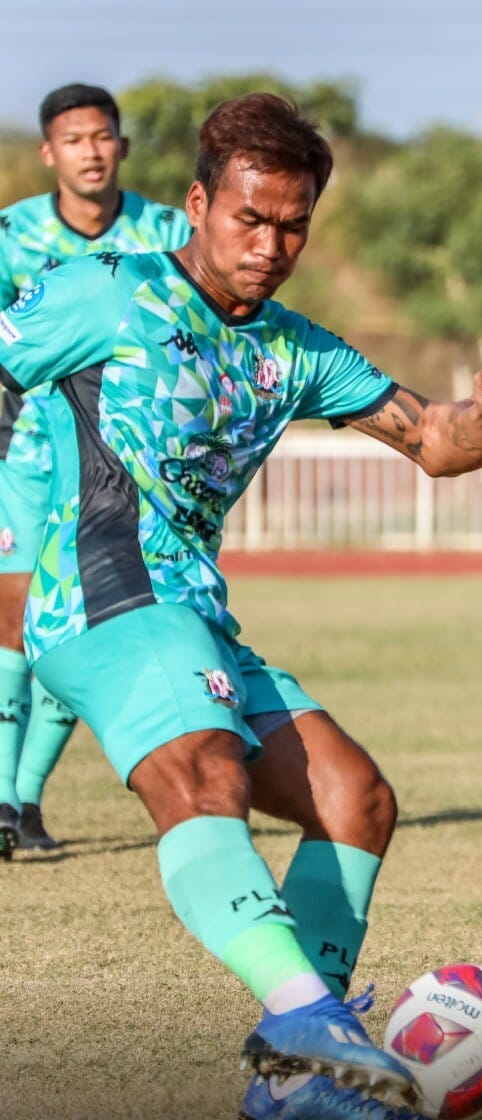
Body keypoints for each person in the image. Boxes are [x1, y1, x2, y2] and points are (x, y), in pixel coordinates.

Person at [0, 93, 482, 1120]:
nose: (270, 247)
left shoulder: (297, 350)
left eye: (293, 225)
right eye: (249, 219)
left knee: (355, 799)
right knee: (205, 770)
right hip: (102, 597)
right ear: (197, 204)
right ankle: (310, 1025)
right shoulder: (109, 292)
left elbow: (435, 439)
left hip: (194, 612)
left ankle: (294, 1082)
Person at [0, 83, 189, 855]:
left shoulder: (168, 230)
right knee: (13, 614)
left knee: (86, 618)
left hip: (121, 467)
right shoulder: (11, 234)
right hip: (27, 454)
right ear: (49, 153)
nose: (90, 151)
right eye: (73, 139)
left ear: (122, 146)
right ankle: (1, 799)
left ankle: (26, 800)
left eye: (102, 136)